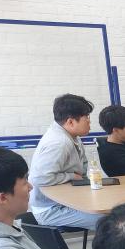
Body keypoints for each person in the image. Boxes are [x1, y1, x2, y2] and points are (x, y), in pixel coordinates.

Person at [28, 93, 102, 229]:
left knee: (116, 211)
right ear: (70, 122)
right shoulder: (59, 143)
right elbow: (40, 178)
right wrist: (71, 176)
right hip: (51, 209)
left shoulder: (72, 136)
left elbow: (82, 168)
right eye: (86, 117)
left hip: (66, 199)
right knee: (112, 222)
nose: (89, 122)